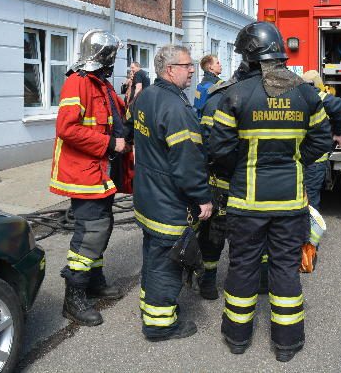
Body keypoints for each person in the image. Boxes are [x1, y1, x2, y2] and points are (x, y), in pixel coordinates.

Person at [209, 22, 332, 362]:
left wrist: (243, 165)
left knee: (243, 267)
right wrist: (294, 159)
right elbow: (322, 139)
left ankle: (236, 338)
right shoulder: (305, 93)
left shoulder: (234, 95)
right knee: (285, 269)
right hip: (291, 204)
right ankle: (287, 344)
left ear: (249, 56)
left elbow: (219, 149)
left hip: (246, 204)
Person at [126, 45, 213, 342]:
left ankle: (149, 307)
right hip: (168, 203)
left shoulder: (146, 96)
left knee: (152, 255)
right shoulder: (175, 107)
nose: (192, 70)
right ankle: (160, 325)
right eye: (187, 65)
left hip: (148, 198)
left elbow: (129, 130)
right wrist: (203, 197)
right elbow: (187, 162)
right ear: (169, 69)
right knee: (167, 262)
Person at [49, 29, 127, 327]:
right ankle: (74, 297)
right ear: (104, 56)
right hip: (83, 174)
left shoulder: (100, 84)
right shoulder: (78, 82)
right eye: (112, 55)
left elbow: (118, 118)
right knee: (91, 232)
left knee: (102, 228)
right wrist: (109, 144)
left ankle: (94, 280)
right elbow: (67, 129)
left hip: (99, 174)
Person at [196, 60, 252, 300]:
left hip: (223, 181)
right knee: (242, 237)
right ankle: (241, 283)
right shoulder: (260, 99)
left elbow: (208, 147)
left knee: (215, 236)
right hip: (246, 184)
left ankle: (208, 282)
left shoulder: (216, 99)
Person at [301, 70, 341, 211]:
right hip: (316, 158)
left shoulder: (293, 95)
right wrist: (338, 133)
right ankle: (309, 230)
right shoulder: (318, 95)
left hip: (294, 157)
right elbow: (339, 106)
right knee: (310, 196)